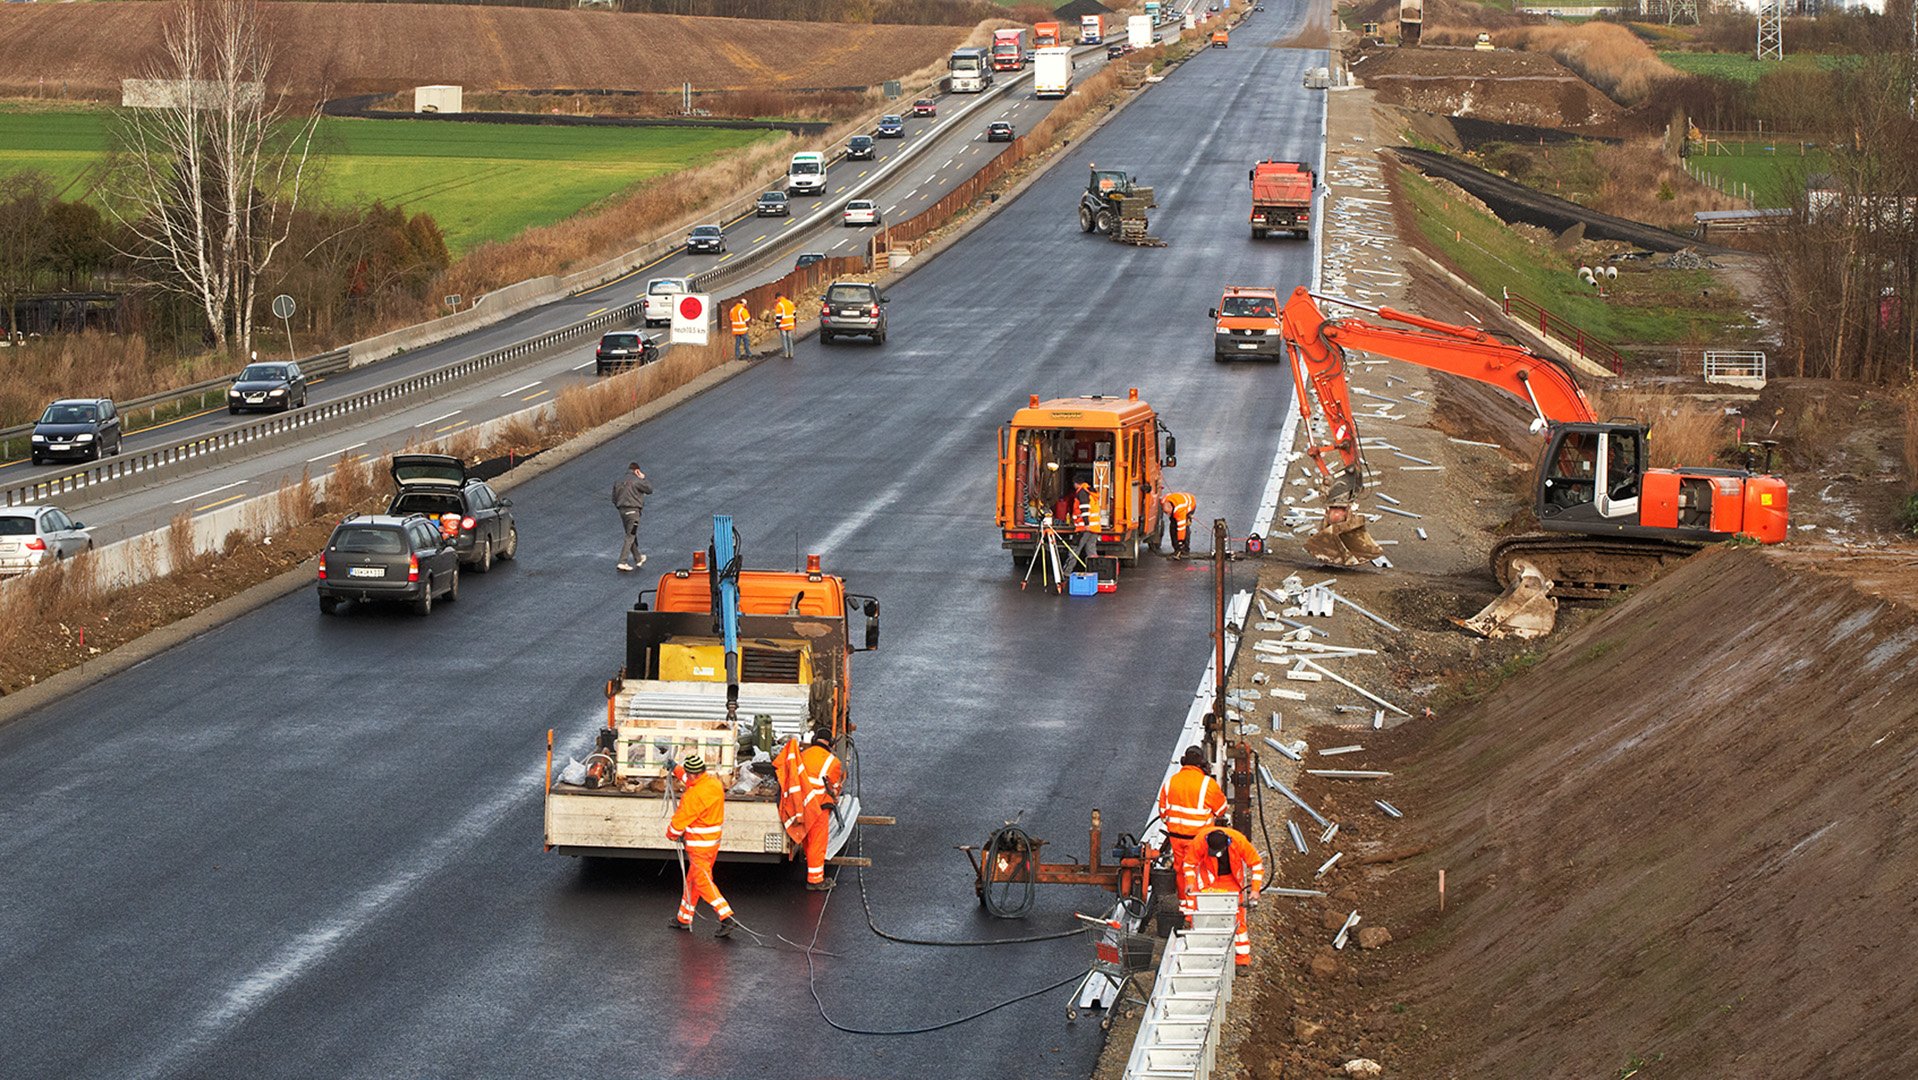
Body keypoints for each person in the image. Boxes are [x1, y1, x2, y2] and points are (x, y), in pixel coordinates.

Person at [665, 752, 738, 938]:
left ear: (693, 775)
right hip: (711, 844)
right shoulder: (712, 783)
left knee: (702, 881)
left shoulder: (693, 796)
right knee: (693, 881)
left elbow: (677, 825)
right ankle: (684, 918)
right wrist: (675, 768)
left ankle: (726, 917)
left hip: (699, 846)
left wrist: (672, 835)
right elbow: (689, 778)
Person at [1155, 746, 1225, 912]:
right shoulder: (1207, 784)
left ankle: (1184, 905)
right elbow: (1221, 809)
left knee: (1181, 869)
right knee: (1202, 869)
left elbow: (1163, 812)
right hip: (1199, 838)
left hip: (1177, 838)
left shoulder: (1171, 782)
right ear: (1202, 764)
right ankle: (1200, 905)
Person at [1184, 825, 1264, 967]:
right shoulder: (1200, 841)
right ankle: (1202, 953)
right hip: (1209, 882)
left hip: (1231, 881)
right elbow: (1189, 864)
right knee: (1203, 915)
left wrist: (1255, 890)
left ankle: (1242, 958)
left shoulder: (1239, 841)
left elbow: (1256, 864)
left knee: (1237, 917)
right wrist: (1190, 882)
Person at [777, 730, 846, 891]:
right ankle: (815, 880)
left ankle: (811, 868)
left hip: (800, 805)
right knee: (817, 842)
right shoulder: (833, 762)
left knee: (807, 840)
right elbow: (834, 788)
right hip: (818, 807)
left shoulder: (803, 755)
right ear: (831, 744)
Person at [612, 462, 653, 572]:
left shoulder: (618, 481)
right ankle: (622, 562)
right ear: (637, 471)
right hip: (633, 511)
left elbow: (614, 499)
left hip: (622, 511)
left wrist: (620, 506)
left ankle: (638, 558)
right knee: (630, 535)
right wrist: (643, 478)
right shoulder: (637, 480)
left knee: (630, 534)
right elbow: (649, 489)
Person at [1163, 491, 1196, 558]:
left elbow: (1181, 528)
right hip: (1178, 501)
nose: (1167, 515)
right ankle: (1176, 549)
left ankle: (1185, 550)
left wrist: (1180, 542)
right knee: (1173, 525)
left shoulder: (1180, 511)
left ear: (1171, 508)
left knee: (1184, 527)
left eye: (1168, 512)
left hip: (1190, 504)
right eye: (1165, 512)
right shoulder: (1164, 501)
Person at [768, 293, 798, 359]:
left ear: (778, 297)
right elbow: (794, 314)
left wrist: (777, 325)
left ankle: (786, 354)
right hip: (790, 324)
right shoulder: (790, 302)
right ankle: (791, 353)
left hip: (783, 325)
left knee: (784, 339)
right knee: (790, 339)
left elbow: (779, 317)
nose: (776, 300)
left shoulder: (779, 305)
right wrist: (794, 322)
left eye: (776, 299)